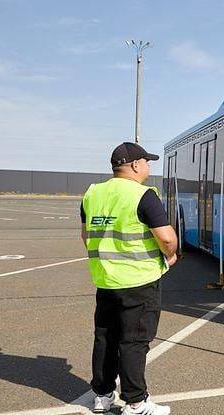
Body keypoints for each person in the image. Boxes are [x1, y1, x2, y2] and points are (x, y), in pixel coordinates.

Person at [81, 142, 178, 415]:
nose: (148, 166)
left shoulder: (93, 194)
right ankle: (136, 402)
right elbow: (167, 238)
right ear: (135, 165)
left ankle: (102, 395)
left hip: (105, 281)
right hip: (139, 281)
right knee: (134, 341)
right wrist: (169, 257)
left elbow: (85, 235)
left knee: (105, 338)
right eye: (146, 162)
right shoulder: (143, 195)